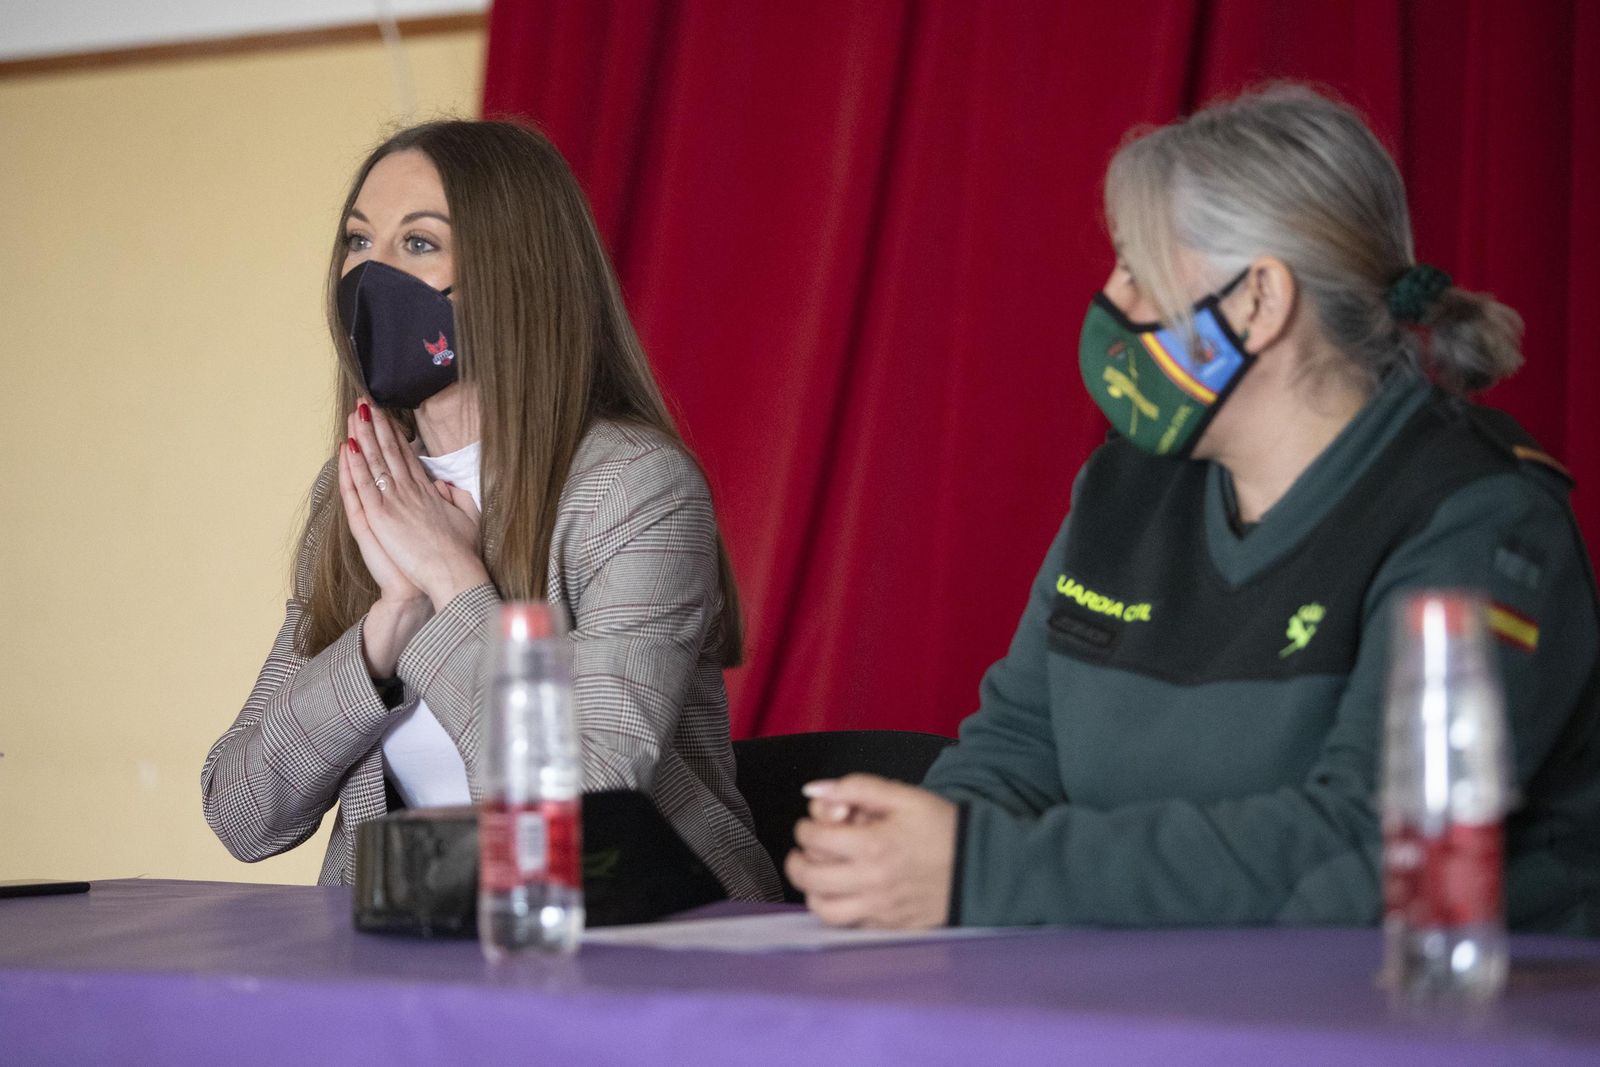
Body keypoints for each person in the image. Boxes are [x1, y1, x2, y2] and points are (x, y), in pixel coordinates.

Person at [786, 86, 1600, 932]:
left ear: (1258, 301)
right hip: (1143, 1001)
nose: (1112, 301)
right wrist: (901, 853)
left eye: (1138, 271)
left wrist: (977, 870)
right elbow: (1020, 748)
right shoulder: (1123, 488)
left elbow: (1379, 845)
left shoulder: (1480, 517)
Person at [202, 120, 782, 902]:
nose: (369, 276)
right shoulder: (363, 489)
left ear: (515, 272)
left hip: (644, 941)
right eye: (358, 241)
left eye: (418, 245)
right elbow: (240, 811)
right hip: (423, 943)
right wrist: (381, 636)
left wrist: (452, 581)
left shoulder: (632, 488)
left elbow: (584, 800)